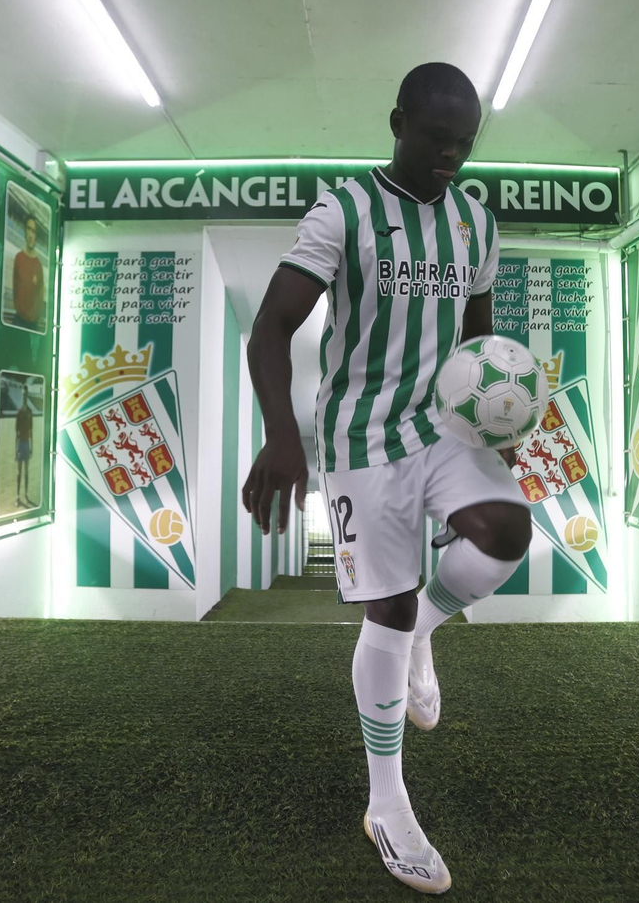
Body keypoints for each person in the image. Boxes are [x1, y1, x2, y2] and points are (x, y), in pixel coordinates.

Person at [241, 62, 529, 894]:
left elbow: (476, 338)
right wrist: (282, 436)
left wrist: (491, 422)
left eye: (465, 144)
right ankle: (387, 803)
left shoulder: (476, 222)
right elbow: (271, 329)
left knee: (506, 533)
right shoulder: (344, 211)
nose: (452, 156)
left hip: (440, 426)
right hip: (360, 435)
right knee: (388, 608)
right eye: (437, 138)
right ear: (398, 123)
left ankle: (427, 632)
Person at [11, 215, 46, 330]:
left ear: (36, 237)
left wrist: (35, 317)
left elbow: (41, 294)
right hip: (18, 320)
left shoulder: (38, 266)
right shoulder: (18, 258)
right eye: (29, 229)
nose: (31, 235)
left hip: (32, 324)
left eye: (34, 231)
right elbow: (15, 287)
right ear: (25, 231)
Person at [15, 388, 36, 508]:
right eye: (23, 394)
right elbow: (16, 432)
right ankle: (18, 496)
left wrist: (32, 446)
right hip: (20, 444)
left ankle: (26, 494)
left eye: (25, 394)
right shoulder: (19, 412)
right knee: (19, 472)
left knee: (26, 471)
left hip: (26, 444)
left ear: (27, 395)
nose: (24, 396)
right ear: (21, 395)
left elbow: (31, 431)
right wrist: (15, 450)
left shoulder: (30, 412)